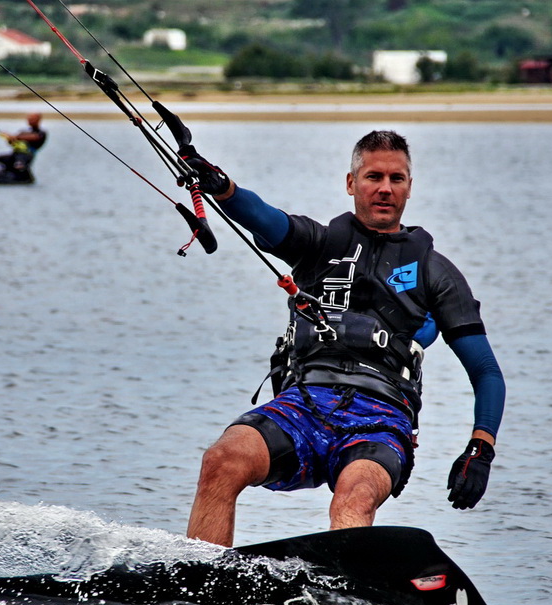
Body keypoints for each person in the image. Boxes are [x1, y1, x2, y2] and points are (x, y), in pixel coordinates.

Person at [182, 130, 505, 547]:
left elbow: (486, 372)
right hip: (304, 406)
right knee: (221, 460)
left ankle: (346, 600)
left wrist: (480, 451)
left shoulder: (436, 272)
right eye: (373, 176)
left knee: (355, 495)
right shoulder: (317, 245)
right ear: (351, 183)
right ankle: (202, 586)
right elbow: (264, 217)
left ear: (409, 188)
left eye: (397, 178)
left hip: (380, 421)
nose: (385, 188)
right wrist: (222, 187)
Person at [0, 113, 47, 182]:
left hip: (26, 155)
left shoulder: (41, 133)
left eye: (32, 119)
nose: (30, 121)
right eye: (29, 119)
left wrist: (15, 137)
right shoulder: (23, 132)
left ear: (38, 120)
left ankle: (22, 175)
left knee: (19, 163)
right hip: (14, 154)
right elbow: (12, 142)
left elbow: (34, 137)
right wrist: (9, 139)